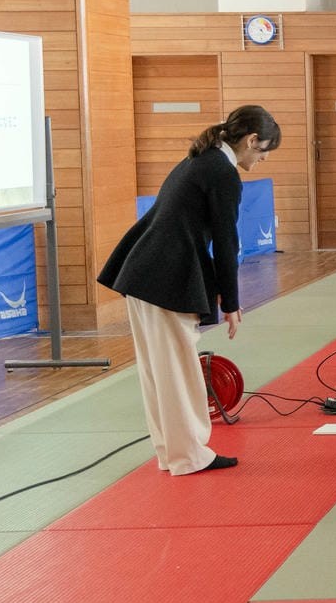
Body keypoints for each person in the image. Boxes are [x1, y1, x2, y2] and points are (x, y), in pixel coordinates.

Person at [98, 106, 280, 475]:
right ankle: (189, 456)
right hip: (164, 277)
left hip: (144, 273)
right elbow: (226, 242)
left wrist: (220, 292)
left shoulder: (200, 159)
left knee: (158, 371)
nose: (262, 159)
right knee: (178, 370)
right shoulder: (222, 172)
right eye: (264, 151)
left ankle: (171, 452)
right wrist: (231, 303)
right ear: (251, 141)